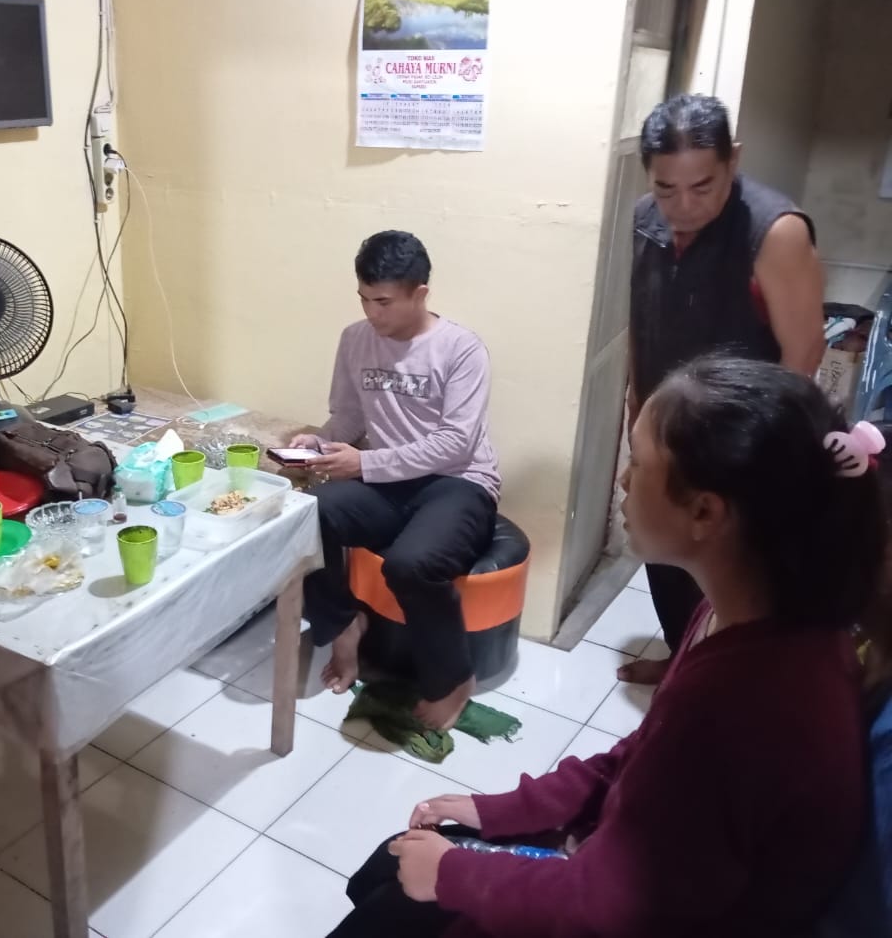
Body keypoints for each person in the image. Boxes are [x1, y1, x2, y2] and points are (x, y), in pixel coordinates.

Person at [326, 356, 889, 938]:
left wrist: (456, 875)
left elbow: (621, 907)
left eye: (638, 463)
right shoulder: (735, 615)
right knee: (392, 867)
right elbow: (640, 759)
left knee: (392, 907)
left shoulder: (751, 701)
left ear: (704, 511)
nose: (622, 480)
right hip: (618, 864)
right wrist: (498, 811)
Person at [622, 93, 827, 684]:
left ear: (732, 160)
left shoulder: (774, 231)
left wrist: (756, 455)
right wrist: (636, 418)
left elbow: (803, 350)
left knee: (725, 568)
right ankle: (680, 660)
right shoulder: (646, 219)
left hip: (732, 440)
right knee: (664, 549)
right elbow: (643, 323)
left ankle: (715, 682)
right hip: (663, 425)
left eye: (702, 186)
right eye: (666, 189)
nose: (683, 206)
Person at [290, 230, 501, 730]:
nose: (372, 312)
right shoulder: (355, 338)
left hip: (459, 482)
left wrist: (364, 465)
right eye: (364, 299)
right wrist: (318, 442)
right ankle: (345, 626)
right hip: (389, 483)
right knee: (304, 514)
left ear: (420, 293)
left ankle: (454, 679)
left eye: (383, 301)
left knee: (410, 565)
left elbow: (456, 444)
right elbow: (348, 418)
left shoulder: (461, 349)